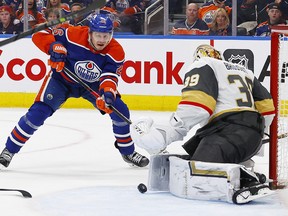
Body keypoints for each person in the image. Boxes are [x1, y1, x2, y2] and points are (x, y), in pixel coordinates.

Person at [0, 13, 149, 169]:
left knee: (120, 111)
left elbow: (110, 77)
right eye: (98, 35)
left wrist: (108, 95)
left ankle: (128, 152)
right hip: (61, 81)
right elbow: (39, 33)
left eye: (106, 36)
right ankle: (9, 150)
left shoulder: (116, 51)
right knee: (37, 113)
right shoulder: (71, 34)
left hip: (92, 86)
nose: (102, 40)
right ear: (89, 32)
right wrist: (53, 47)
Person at [132, 44, 275, 163]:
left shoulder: (204, 64)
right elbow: (268, 111)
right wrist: (251, 136)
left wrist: (165, 134)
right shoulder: (246, 71)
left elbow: (197, 108)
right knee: (198, 153)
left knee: (197, 173)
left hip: (227, 134)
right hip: (253, 140)